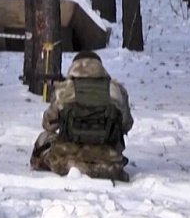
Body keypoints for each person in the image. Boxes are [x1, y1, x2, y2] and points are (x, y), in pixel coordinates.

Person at [30, 51, 134, 182]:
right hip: (109, 163)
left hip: (66, 161)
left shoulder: (64, 90)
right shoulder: (116, 90)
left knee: (44, 138)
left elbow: (48, 124)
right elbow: (126, 124)